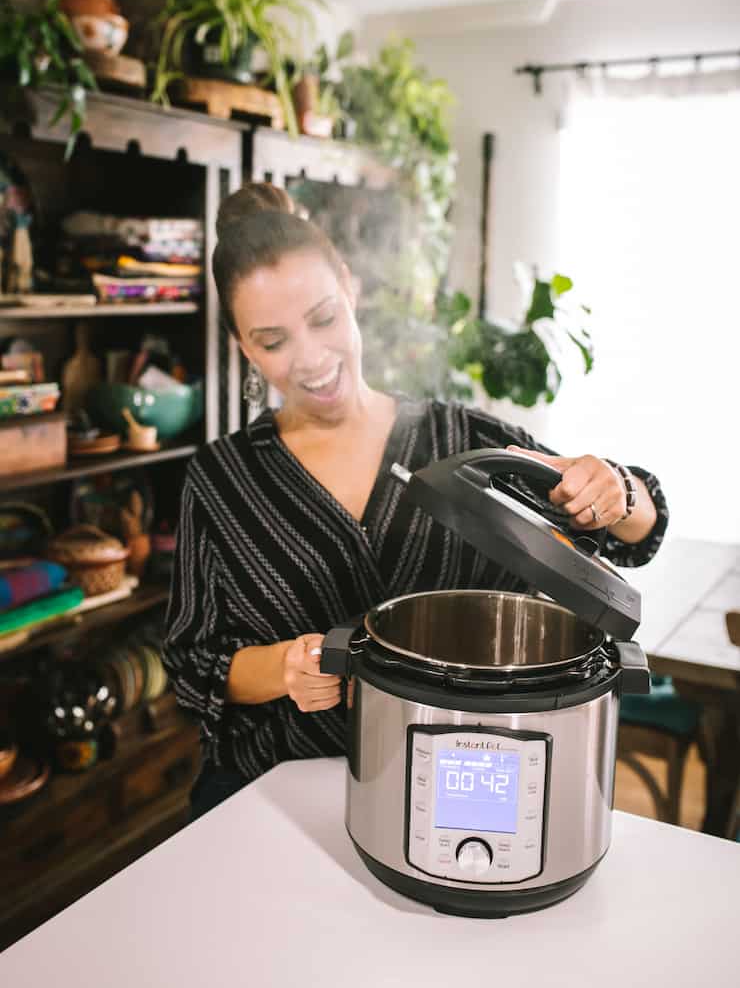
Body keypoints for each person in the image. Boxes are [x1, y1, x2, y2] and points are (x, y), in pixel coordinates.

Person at [162, 184, 668, 820]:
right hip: (278, 789)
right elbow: (193, 664)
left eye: (322, 319)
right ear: (242, 345)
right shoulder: (220, 478)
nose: (312, 358)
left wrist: (618, 491)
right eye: (273, 341)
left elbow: (630, 535)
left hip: (467, 788)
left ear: (349, 287)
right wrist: (283, 667)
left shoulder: (461, 439)